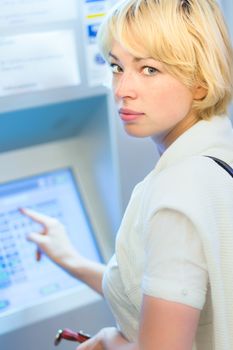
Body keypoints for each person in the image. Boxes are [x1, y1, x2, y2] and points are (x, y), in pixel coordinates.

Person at [21, 0, 233, 349]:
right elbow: (161, 290)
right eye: (117, 67)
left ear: (200, 82)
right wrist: (71, 259)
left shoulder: (177, 192)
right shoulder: (215, 159)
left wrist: (109, 341)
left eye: (149, 69)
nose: (122, 90)